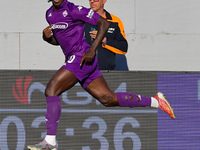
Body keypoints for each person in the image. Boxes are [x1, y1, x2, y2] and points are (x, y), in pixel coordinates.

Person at [27, 0, 175, 149]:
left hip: (81, 57)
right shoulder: (49, 14)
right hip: (80, 60)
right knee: (108, 99)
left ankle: (50, 142)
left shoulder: (74, 9)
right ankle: (156, 101)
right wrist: (47, 38)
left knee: (51, 89)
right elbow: (60, 41)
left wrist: (92, 49)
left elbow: (104, 24)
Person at [84, 0, 129, 70]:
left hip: (106, 71)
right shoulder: (81, 19)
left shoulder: (115, 21)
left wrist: (104, 39)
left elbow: (123, 47)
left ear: (104, 1)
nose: (92, 2)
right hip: (82, 71)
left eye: (96, 0)